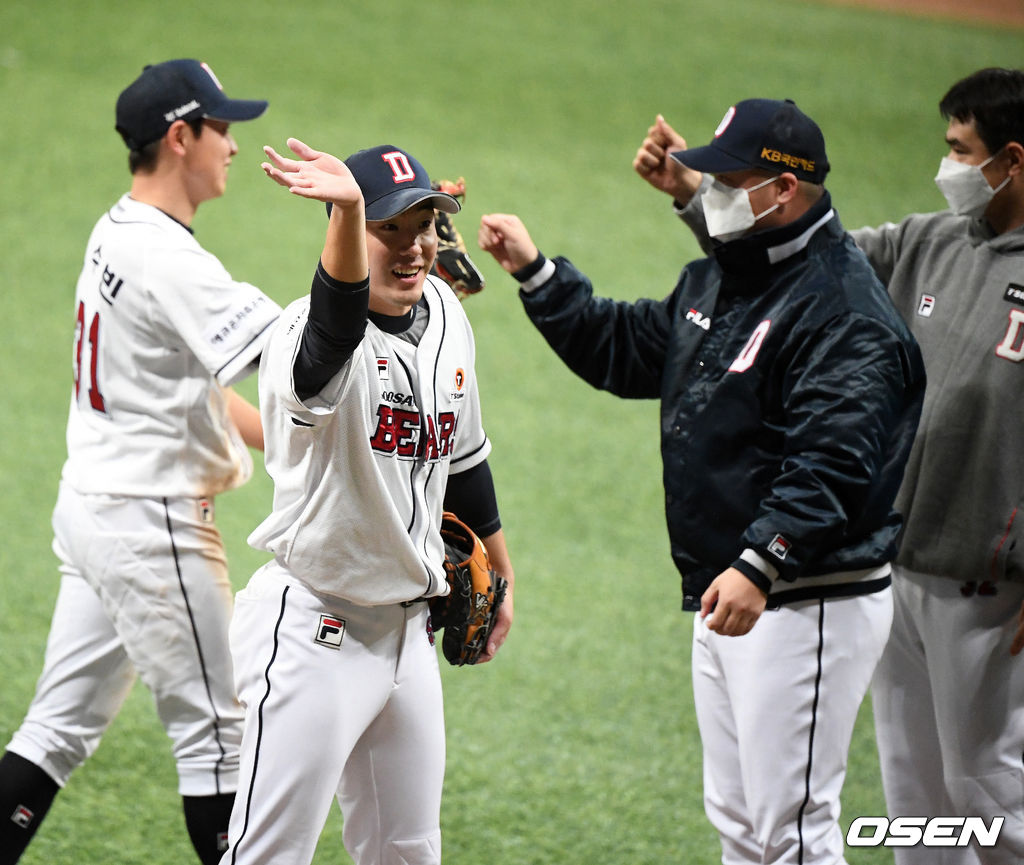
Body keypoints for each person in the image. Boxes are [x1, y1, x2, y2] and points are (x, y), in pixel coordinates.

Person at [479, 98, 925, 864]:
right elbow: (625, 350)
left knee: (791, 830)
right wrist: (537, 273)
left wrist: (762, 561)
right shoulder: (725, 281)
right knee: (741, 822)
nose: (708, 189)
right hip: (734, 589)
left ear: (782, 191)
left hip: (804, 594)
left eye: (727, 179)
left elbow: (834, 461)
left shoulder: (843, 311)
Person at [0, 59, 280, 865]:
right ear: (180, 136)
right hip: (152, 526)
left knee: (54, 730)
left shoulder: (114, 230)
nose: (232, 144)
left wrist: (286, 442)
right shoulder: (170, 259)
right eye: (221, 128)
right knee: (220, 738)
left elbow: (184, 387)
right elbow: (299, 354)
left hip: (93, 507)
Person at [220, 138, 514, 865]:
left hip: (407, 638)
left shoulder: (445, 313)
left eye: (422, 226)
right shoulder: (306, 341)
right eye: (390, 229)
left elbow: (466, 456)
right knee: (268, 855)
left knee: (408, 852)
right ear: (345, 233)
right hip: (312, 635)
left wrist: (502, 575)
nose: (412, 247)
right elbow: (336, 326)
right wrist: (350, 211)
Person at [848, 67, 1024, 865]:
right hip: (898, 566)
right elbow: (802, 263)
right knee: (914, 792)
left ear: (1011, 159)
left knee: (990, 787)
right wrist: (698, 196)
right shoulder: (930, 240)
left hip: (989, 590)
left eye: (960, 149)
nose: (946, 165)